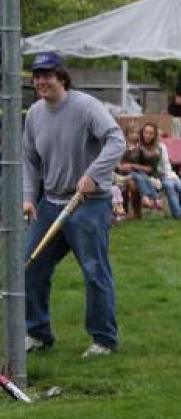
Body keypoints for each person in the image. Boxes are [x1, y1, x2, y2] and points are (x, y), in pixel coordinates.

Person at [22, 52, 126, 357]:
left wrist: (94, 174)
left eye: (48, 75)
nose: (42, 81)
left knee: (95, 272)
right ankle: (38, 333)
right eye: (37, 76)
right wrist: (29, 198)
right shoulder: (35, 115)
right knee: (30, 267)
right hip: (51, 203)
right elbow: (30, 161)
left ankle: (103, 340)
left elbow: (116, 140)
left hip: (88, 204)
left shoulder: (86, 107)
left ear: (62, 78)